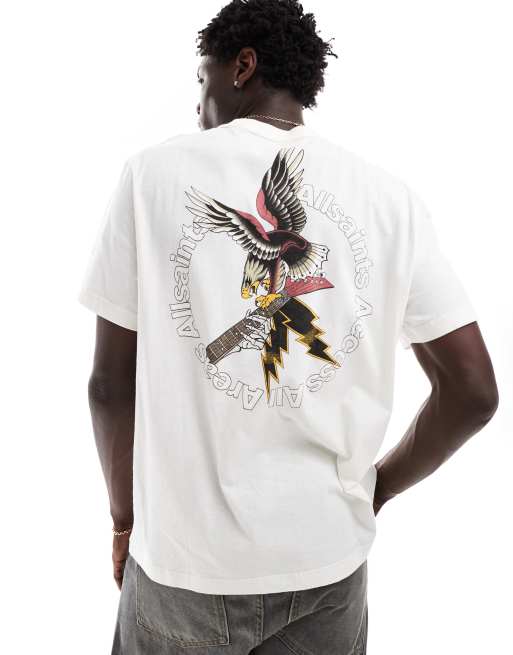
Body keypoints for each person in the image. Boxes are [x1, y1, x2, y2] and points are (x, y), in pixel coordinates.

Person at [78, 1, 499, 653]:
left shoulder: (152, 175)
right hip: (327, 558)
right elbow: (472, 391)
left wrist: (124, 520)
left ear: (242, 67)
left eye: (202, 79)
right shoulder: (390, 198)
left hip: (184, 565)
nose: (196, 103)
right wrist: (373, 489)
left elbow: (109, 386)